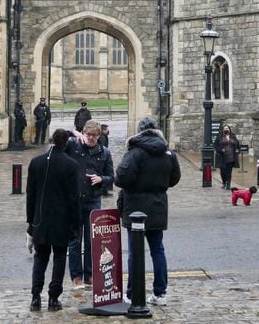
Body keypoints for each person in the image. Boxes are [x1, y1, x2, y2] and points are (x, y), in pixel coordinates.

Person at [114, 117, 181, 306]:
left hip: (135, 206)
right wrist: (159, 186)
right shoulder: (168, 153)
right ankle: (160, 293)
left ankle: (133, 293)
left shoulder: (135, 152)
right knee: (157, 250)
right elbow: (175, 178)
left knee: (135, 252)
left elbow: (121, 178)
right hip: (158, 205)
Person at [26, 129, 80, 311]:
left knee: (40, 258)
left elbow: (30, 195)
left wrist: (30, 222)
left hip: (40, 219)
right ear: (65, 144)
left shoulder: (36, 162)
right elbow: (74, 198)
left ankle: (35, 296)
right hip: (61, 220)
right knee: (58, 258)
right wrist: (76, 222)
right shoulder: (71, 165)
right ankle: (53, 298)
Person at [66, 119, 114, 288]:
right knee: (74, 240)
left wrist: (101, 179)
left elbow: (111, 178)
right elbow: (56, 138)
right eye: (88, 135)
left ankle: (89, 274)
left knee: (91, 241)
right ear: (84, 134)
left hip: (93, 200)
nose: (91, 138)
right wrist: (74, 133)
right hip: (75, 200)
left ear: (99, 136)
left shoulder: (105, 152)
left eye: (94, 135)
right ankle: (76, 276)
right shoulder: (74, 145)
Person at [214, 124, 240, 189]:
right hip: (222, 157)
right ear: (222, 130)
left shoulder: (233, 136)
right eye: (225, 128)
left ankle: (228, 184)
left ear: (229, 129)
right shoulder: (219, 137)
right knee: (223, 171)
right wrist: (220, 150)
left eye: (227, 128)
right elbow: (215, 146)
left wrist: (237, 150)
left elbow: (238, 145)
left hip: (231, 157)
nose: (226, 129)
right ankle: (224, 182)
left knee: (229, 172)